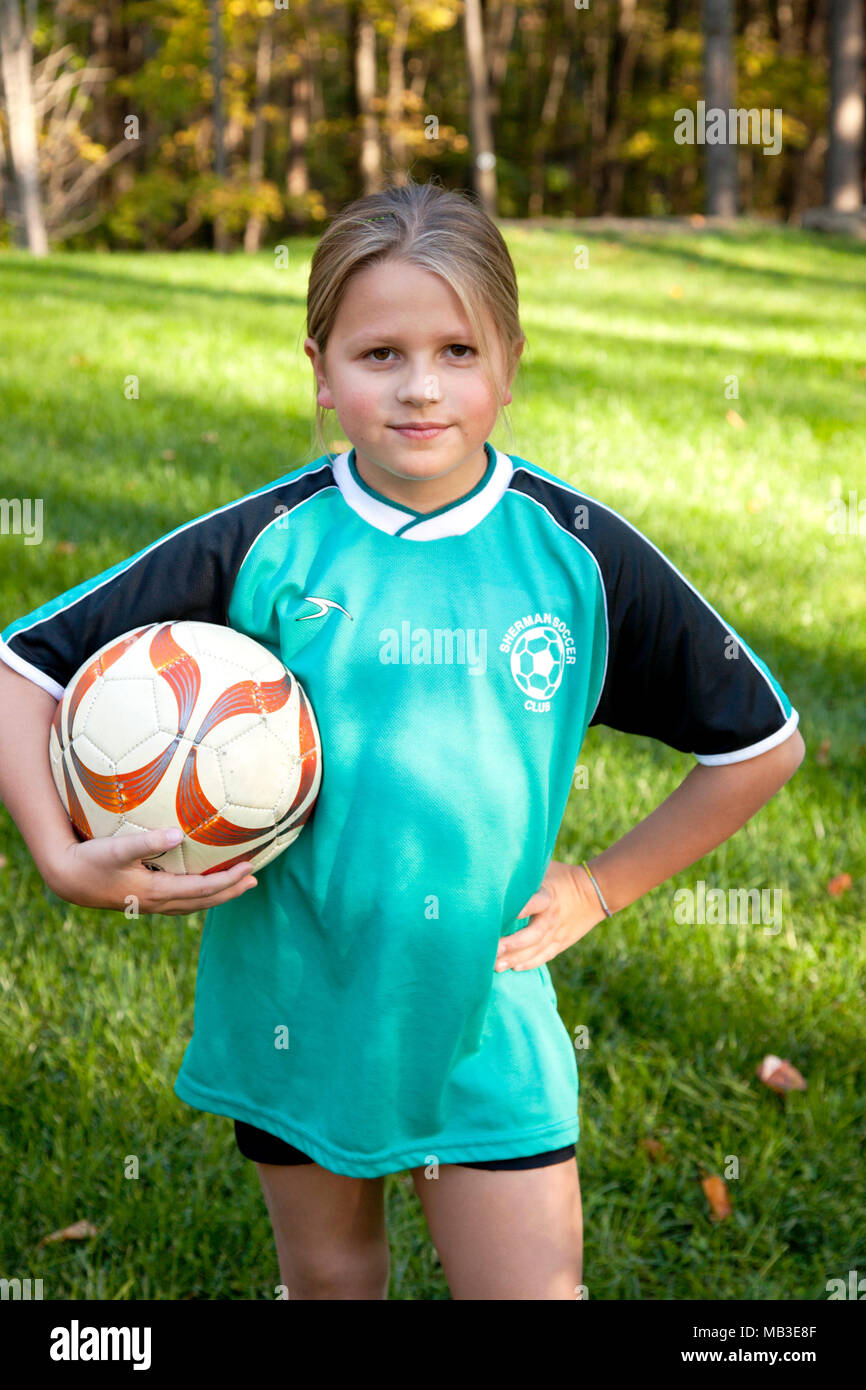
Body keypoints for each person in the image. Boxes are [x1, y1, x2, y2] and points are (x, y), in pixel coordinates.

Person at [0, 176, 804, 1301]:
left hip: (484, 1005)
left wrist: (603, 886)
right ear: (320, 372)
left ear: (509, 363)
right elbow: (21, 665)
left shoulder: (573, 553)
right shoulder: (267, 541)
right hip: (297, 1001)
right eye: (378, 355)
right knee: (330, 1282)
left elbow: (761, 744)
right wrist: (56, 850)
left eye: (457, 351)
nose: (421, 388)